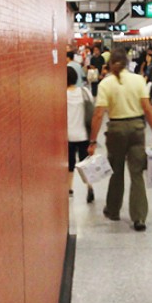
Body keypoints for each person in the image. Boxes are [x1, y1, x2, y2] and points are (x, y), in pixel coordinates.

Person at [88, 48, 152, 231]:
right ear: (127, 62)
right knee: (137, 173)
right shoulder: (138, 80)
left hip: (116, 129)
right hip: (137, 129)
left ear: (110, 64)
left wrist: (92, 141)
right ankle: (139, 218)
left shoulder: (106, 83)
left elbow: (99, 114)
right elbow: (148, 108)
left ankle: (113, 210)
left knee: (116, 171)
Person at [67, 67, 96, 203]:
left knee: (70, 164)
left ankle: (69, 188)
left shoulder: (62, 95)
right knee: (85, 164)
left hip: (68, 136)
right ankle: (89, 187)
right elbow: (93, 111)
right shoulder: (85, 92)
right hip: (84, 134)